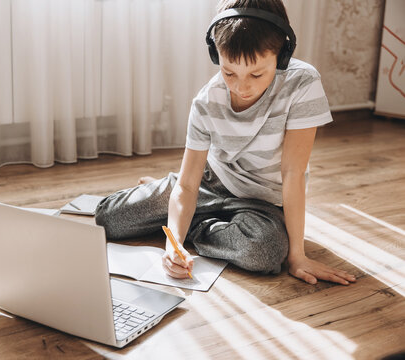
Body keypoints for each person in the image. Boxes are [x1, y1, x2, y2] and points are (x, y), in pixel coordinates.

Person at [95, 0, 356, 286]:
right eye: (229, 72)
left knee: (265, 254)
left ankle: (193, 221)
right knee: (108, 219)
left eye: (257, 74)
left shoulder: (303, 85)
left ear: (281, 55)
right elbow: (187, 185)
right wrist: (173, 247)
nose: (241, 87)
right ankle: (184, 212)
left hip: (263, 201)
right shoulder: (207, 101)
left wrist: (298, 256)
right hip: (209, 182)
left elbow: (292, 174)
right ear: (215, 54)